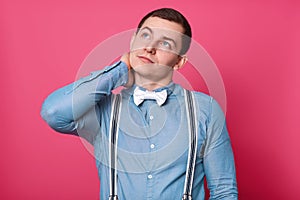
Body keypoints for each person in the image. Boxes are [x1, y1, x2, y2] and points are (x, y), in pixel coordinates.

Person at [41, 8, 238, 199]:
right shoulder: (103, 111)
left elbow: (224, 192)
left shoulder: (206, 110)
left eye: (165, 44)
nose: (149, 48)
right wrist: (120, 69)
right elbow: (54, 112)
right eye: (145, 36)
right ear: (133, 41)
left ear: (179, 62)